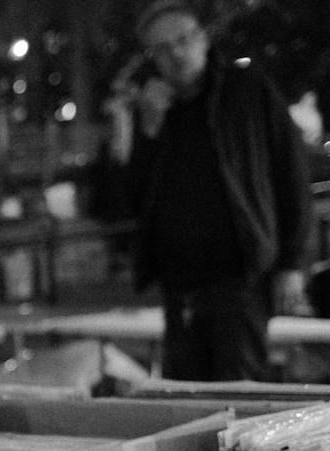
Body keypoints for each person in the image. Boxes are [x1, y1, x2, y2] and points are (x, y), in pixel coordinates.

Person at [120, 0, 312, 381]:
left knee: (240, 389)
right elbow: (130, 201)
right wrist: (145, 131)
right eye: (162, 48)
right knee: (189, 395)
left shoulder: (246, 90)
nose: (176, 53)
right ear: (152, 58)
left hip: (238, 277)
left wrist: (292, 261)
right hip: (179, 285)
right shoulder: (155, 111)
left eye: (183, 39)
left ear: (203, 39)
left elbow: (291, 171)